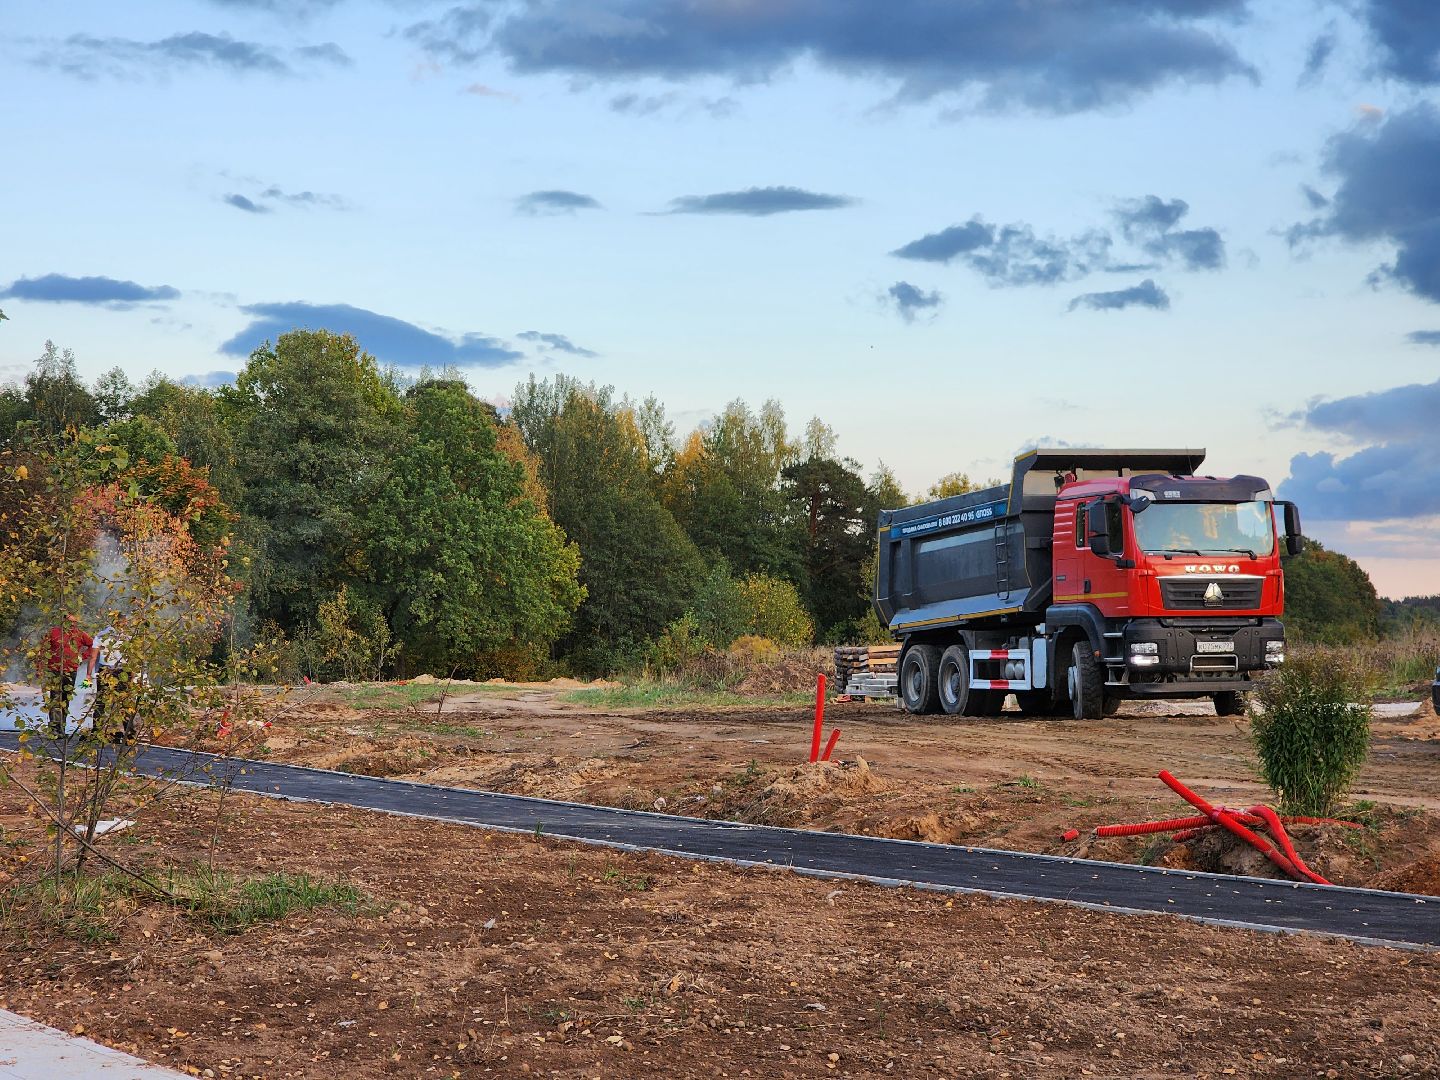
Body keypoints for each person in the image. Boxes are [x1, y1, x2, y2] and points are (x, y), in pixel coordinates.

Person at [44, 615, 95, 735]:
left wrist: (83, 656)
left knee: (65, 699)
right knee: (55, 698)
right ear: (63, 622)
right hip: (55, 669)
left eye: (74, 622)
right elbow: (43, 648)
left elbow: (93, 645)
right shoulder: (53, 632)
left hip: (71, 670)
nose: (72, 624)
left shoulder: (80, 634)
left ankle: (61, 728)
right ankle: (54, 729)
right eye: (70, 622)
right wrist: (42, 666)